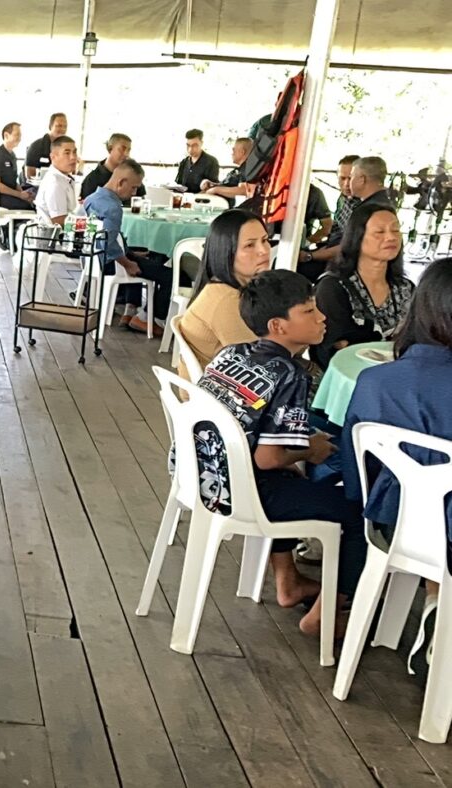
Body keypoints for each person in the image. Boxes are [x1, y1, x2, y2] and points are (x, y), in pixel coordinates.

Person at [193, 269, 365, 637]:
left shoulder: (230, 353)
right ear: (278, 325)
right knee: (360, 515)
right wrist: (309, 450)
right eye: (309, 311)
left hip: (200, 474)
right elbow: (267, 459)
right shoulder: (291, 374)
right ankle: (325, 614)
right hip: (242, 492)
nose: (322, 317)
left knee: (291, 478)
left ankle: (288, 583)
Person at [339, 257, 452, 673]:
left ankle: (436, 607)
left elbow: (356, 476)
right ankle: (437, 610)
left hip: (393, 524)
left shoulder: (375, 381)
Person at [312, 202, 415, 368]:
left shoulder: (406, 288)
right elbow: (335, 347)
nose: (391, 237)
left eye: (396, 230)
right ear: (357, 238)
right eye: (379, 232)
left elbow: (417, 339)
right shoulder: (334, 287)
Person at [175, 210, 272, 381]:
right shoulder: (225, 300)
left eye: (265, 240)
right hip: (215, 392)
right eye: (250, 245)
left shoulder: (227, 288)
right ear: (226, 252)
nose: (263, 250)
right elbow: (262, 362)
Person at [82, 159, 175, 336]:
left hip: (93, 258)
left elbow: (101, 237)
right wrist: (127, 263)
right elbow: (108, 242)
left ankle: (130, 311)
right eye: (133, 188)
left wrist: (129, 253)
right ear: (121, 183)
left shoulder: (91, 199)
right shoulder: (113, 207)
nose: (134, 193)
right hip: (110, 263)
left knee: (141, 257)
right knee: (170, 276)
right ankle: (147, 319)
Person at [307, 156, 392, 270]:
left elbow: (350, 247)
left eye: (350, 178)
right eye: (342, 178)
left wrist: (311, 256)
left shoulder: (368, 207)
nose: (347, 184)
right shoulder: (344, 199)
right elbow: (334, 231)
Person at [0, 122, 33, 210]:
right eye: (17, 135)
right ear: (6, 135)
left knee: (33, 203)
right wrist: (20, 195)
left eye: (20, 135)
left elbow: (12, 182)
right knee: (28, 207)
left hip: (8, 196)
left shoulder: (12, 156)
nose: (19, 138)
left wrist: (23, 194)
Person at [79, 132, 145, 202]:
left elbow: (141, 201)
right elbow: (88, 205)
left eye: (128, 150)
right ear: (110, 148)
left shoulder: (132, 176)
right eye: (122, 149)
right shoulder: (92, 179)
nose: (126, 154)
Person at [34, 136, 79, 226]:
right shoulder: (55, 182)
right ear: (53, 157)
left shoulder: (63, 178)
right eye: (67, 153)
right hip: (54, 234)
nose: (73, 157)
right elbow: (59, 222)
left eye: (74, 152)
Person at [24, 113, 68, 180]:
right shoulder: (36, 146)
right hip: (37, 184)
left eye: (65, 126)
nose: (63, 129)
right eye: (59, 126)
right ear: (50, 126)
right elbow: (30, 175)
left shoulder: (66, 147)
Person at [177, 129, 221, 194]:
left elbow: (212, 188)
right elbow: (178, 186)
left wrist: (194, 198)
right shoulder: (184, 162)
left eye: (194, 145)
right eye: (188, 145)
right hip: (184, 198)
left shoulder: (211, 162)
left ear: (201, 143)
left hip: (202, 199)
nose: (190, 149)